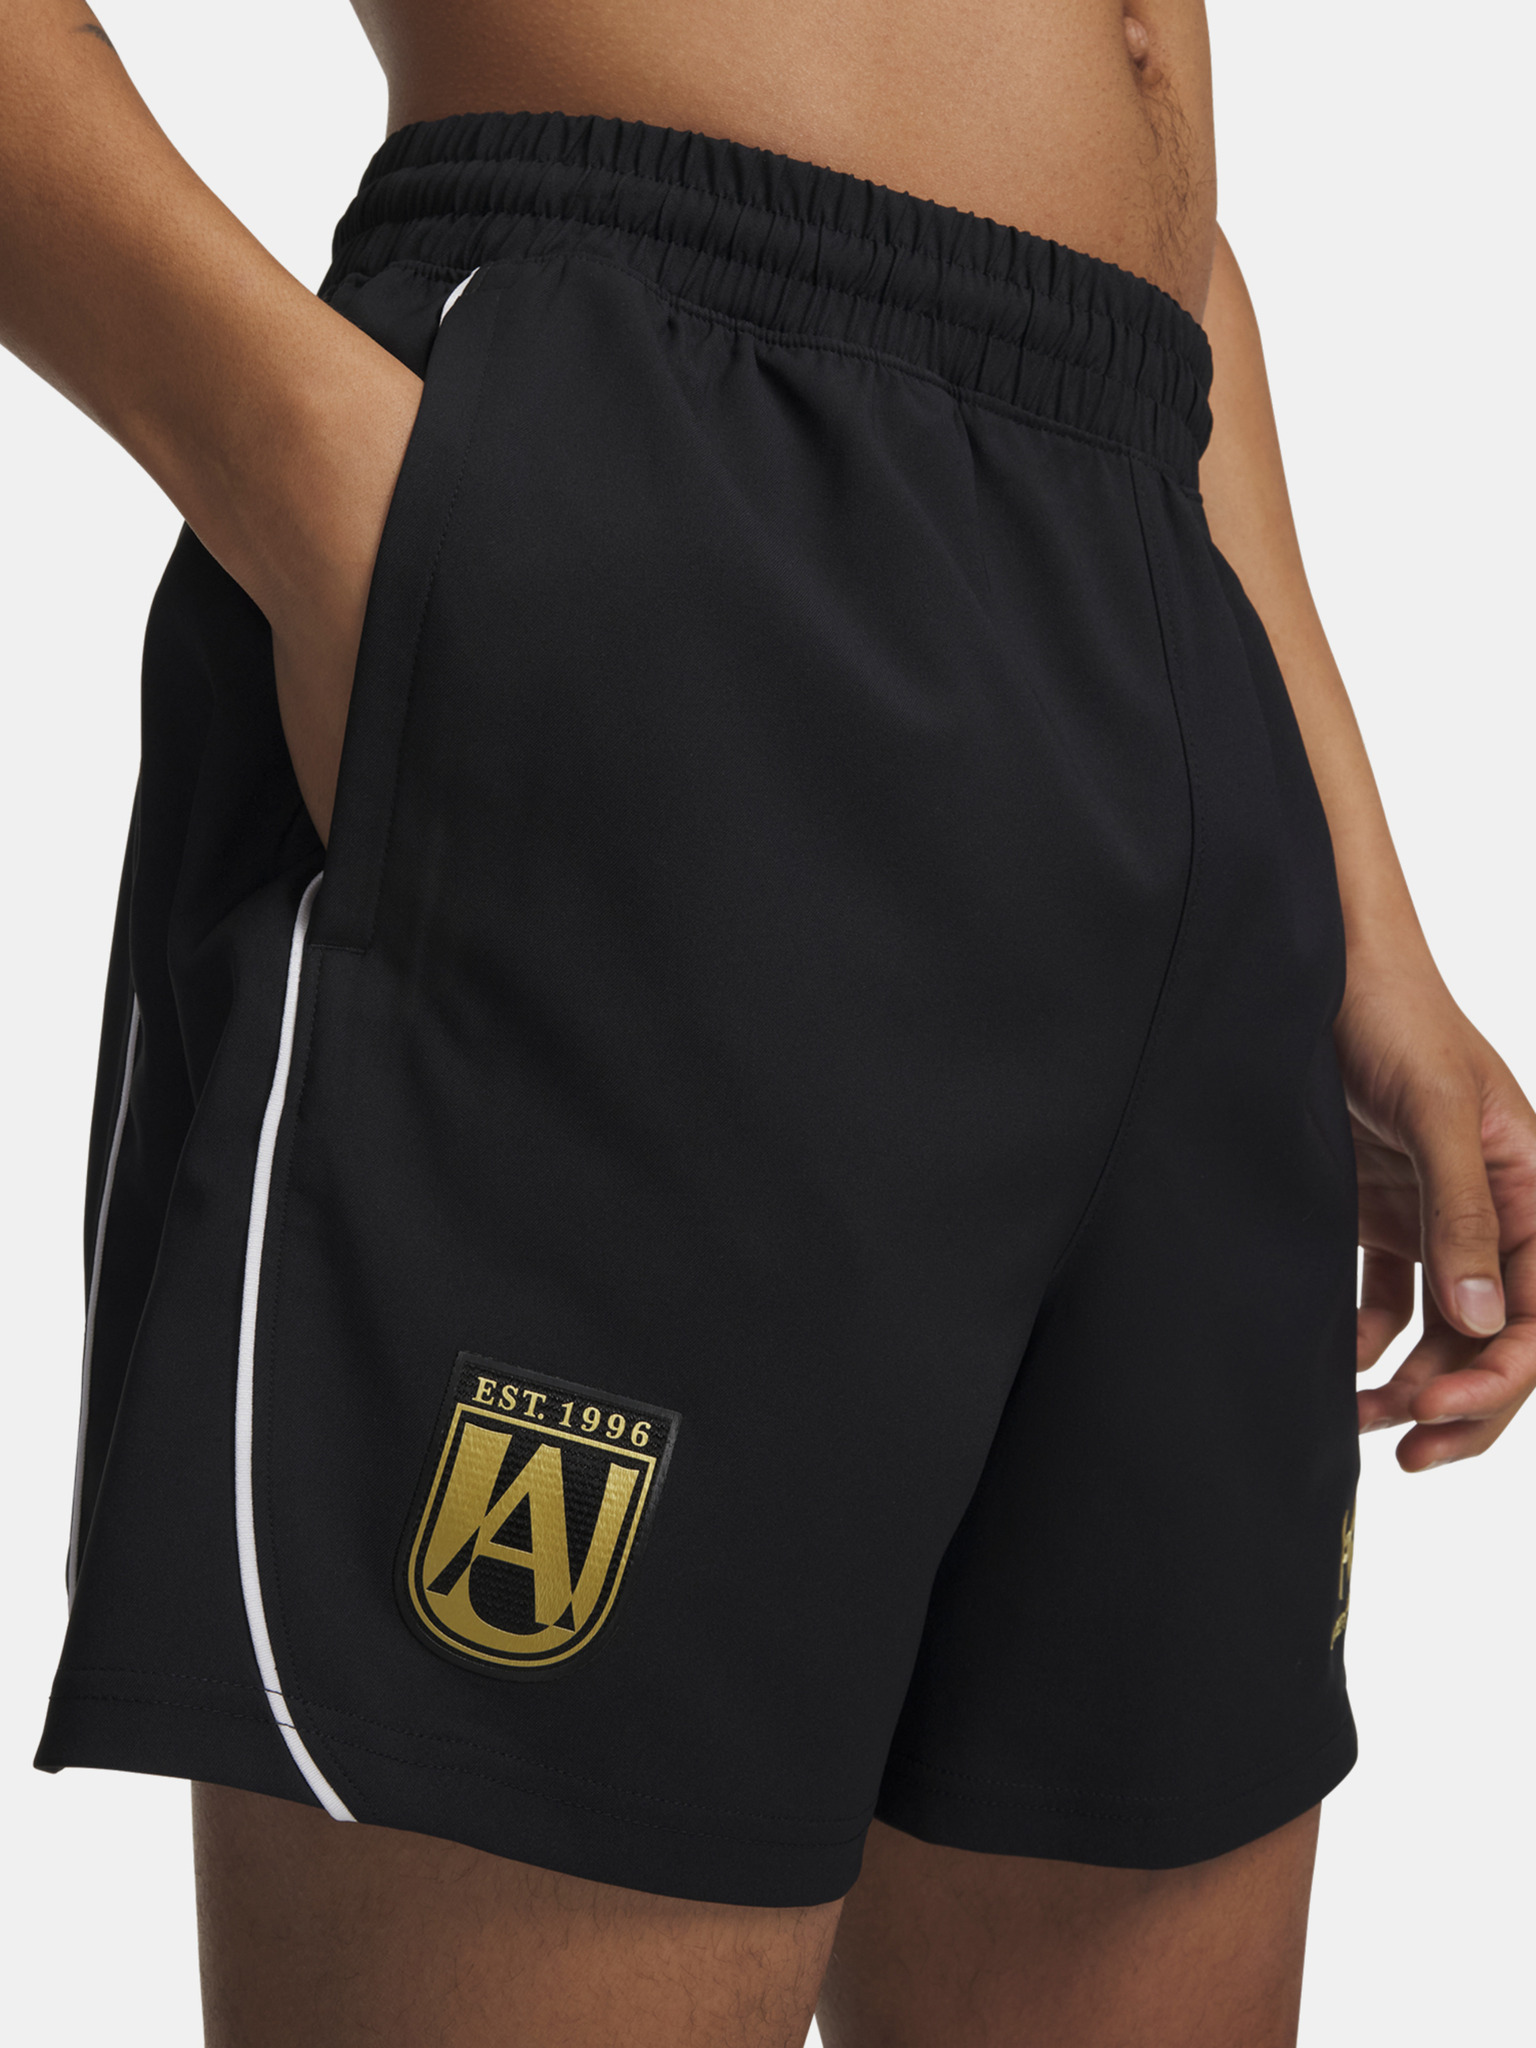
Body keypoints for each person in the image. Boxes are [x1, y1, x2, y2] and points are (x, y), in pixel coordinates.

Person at [5, 3, 1532, 2043]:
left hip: (1151, 569)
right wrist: (323, 483)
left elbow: (1153, 218)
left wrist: (1364, 925)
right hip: (661, 466)